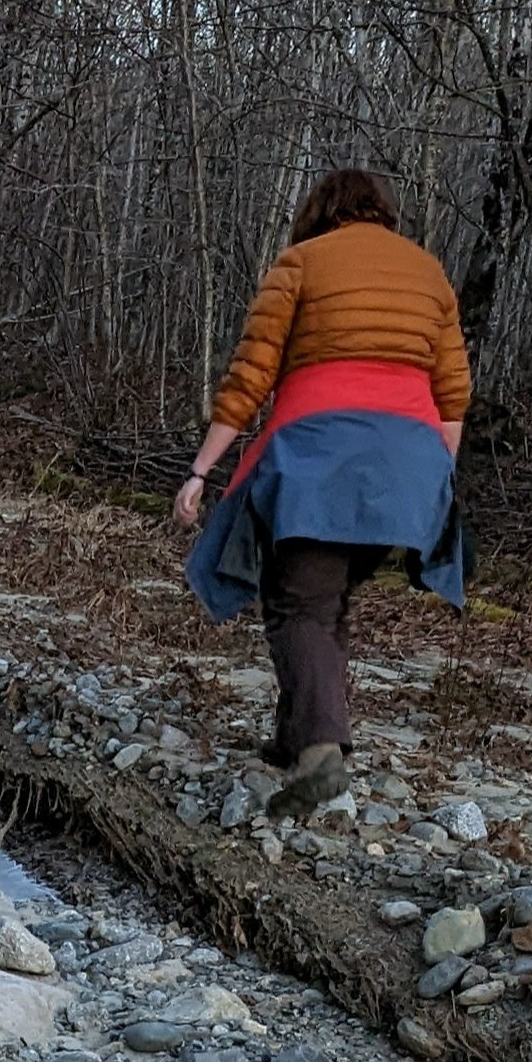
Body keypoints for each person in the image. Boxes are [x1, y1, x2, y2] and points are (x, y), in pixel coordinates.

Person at [175, 168, 469, 818]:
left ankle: (321, 752)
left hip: (318, 454)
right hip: (410, 469)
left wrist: (202, 470)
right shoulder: (429, 272)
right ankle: (295, 740)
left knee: (297, 604)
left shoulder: (301, 263)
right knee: (325, 602)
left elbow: (251, 376)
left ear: (320, 211)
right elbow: (453, 396)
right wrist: (434, 488)